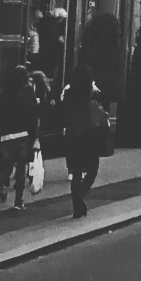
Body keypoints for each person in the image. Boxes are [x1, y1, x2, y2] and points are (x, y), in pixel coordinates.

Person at [0, 52, 42, 210]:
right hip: (23, 136)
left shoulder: (5, 93)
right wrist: (35, 137)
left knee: (5, 168)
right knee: (21, 170)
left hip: (6, 136)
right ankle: (18, 201)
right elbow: (33, 117)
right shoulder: (28, 93)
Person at [61, 73, 105, 218]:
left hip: (73, 139)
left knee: (76, 171)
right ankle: (80, 193)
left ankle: (77, 207)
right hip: (89, 140)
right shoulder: (91, 100)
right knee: (92, 169)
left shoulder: (69, 97)